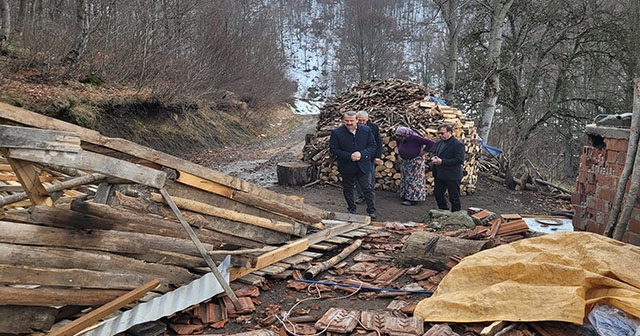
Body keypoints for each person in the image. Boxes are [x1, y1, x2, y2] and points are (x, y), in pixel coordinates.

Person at [329, 111, 378, 219]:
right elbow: (333, 149)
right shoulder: (337, 133)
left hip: (363, 165)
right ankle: (351, 208)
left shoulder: (366, 130)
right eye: (347, 121)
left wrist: (362, 153)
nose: (349, 123)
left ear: (357, 120)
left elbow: (373, 146)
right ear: (343, 120)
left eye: (352, 120)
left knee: (367, 188)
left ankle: (371, 210)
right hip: (346, 165)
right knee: (348, 188)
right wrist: (349, 156)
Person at [395, 126, 435, 206]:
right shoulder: (399, 138)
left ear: (405, 135)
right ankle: (405, 195)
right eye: (398, 136)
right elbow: (398, 143)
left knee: (414, 180)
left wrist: (424, 152)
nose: (399, 138)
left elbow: (431, 143)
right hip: (405, 160)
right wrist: (400, 149)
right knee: (405, 178)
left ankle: (413, 198)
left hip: (415, 161)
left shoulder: (415, 138)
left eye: (401, 136)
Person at [430, 124, 465, 212]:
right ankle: (443, 211)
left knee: (454, 197)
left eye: (442, 133)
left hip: (452, 175)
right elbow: (433, 152)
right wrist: (433, 157)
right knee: (438, 194)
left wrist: (442, 161)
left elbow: (459, 160)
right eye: (439, 134)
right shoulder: (439, 143)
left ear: (449, 132)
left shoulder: (458, 144)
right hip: (439, 174)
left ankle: (456, 214)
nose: (440, 135)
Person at [355, 111, 383, 204]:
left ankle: (369, 196)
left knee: (370, 178)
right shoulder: (353, 127)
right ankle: (361, 196)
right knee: (358, 178)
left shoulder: (373, 127)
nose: (362, 122)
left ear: (367, 119)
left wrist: (377, 156)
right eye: (360, 120)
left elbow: (378, 142)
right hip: (358, 156)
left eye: (363, 120)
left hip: (370, 156)